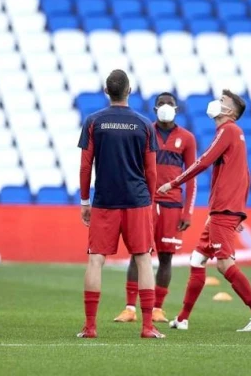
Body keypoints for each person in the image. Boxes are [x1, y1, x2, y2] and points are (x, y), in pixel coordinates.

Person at [163, 91, 251, 332]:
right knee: (197, 259)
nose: (217, 103)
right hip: (223, 209)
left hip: (223, 208)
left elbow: (203, 160)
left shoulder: (228, 130)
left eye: (223, 102)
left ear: (230, 111)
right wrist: (240, 212)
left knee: (224, 264)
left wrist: (174, 183)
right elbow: (246, 174)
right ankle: (182, 318)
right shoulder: (235, 133)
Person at [77, 70, 164, 339]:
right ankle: (147, 327)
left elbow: (85, 166)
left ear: (107, 91)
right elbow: (151, 171)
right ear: (129, 90)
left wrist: (85, 200)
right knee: (144, 260)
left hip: (105, 201)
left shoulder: (93, 122)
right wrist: (150, 201)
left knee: (95, 260)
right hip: (137, 201)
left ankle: (90, 327)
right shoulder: (144, 124)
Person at [114, 92, 196, 324]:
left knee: (166, 257)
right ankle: (130, 308)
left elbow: (192, 176)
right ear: (155, 109)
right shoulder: (144, 131)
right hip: (145, 203)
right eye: (161, 103)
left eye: (169, 103)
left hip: (173, 205)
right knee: (138, 253)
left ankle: (158, 308)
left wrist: (188, 211)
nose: (165, 107)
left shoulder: (187, 138)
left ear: (176, 109)